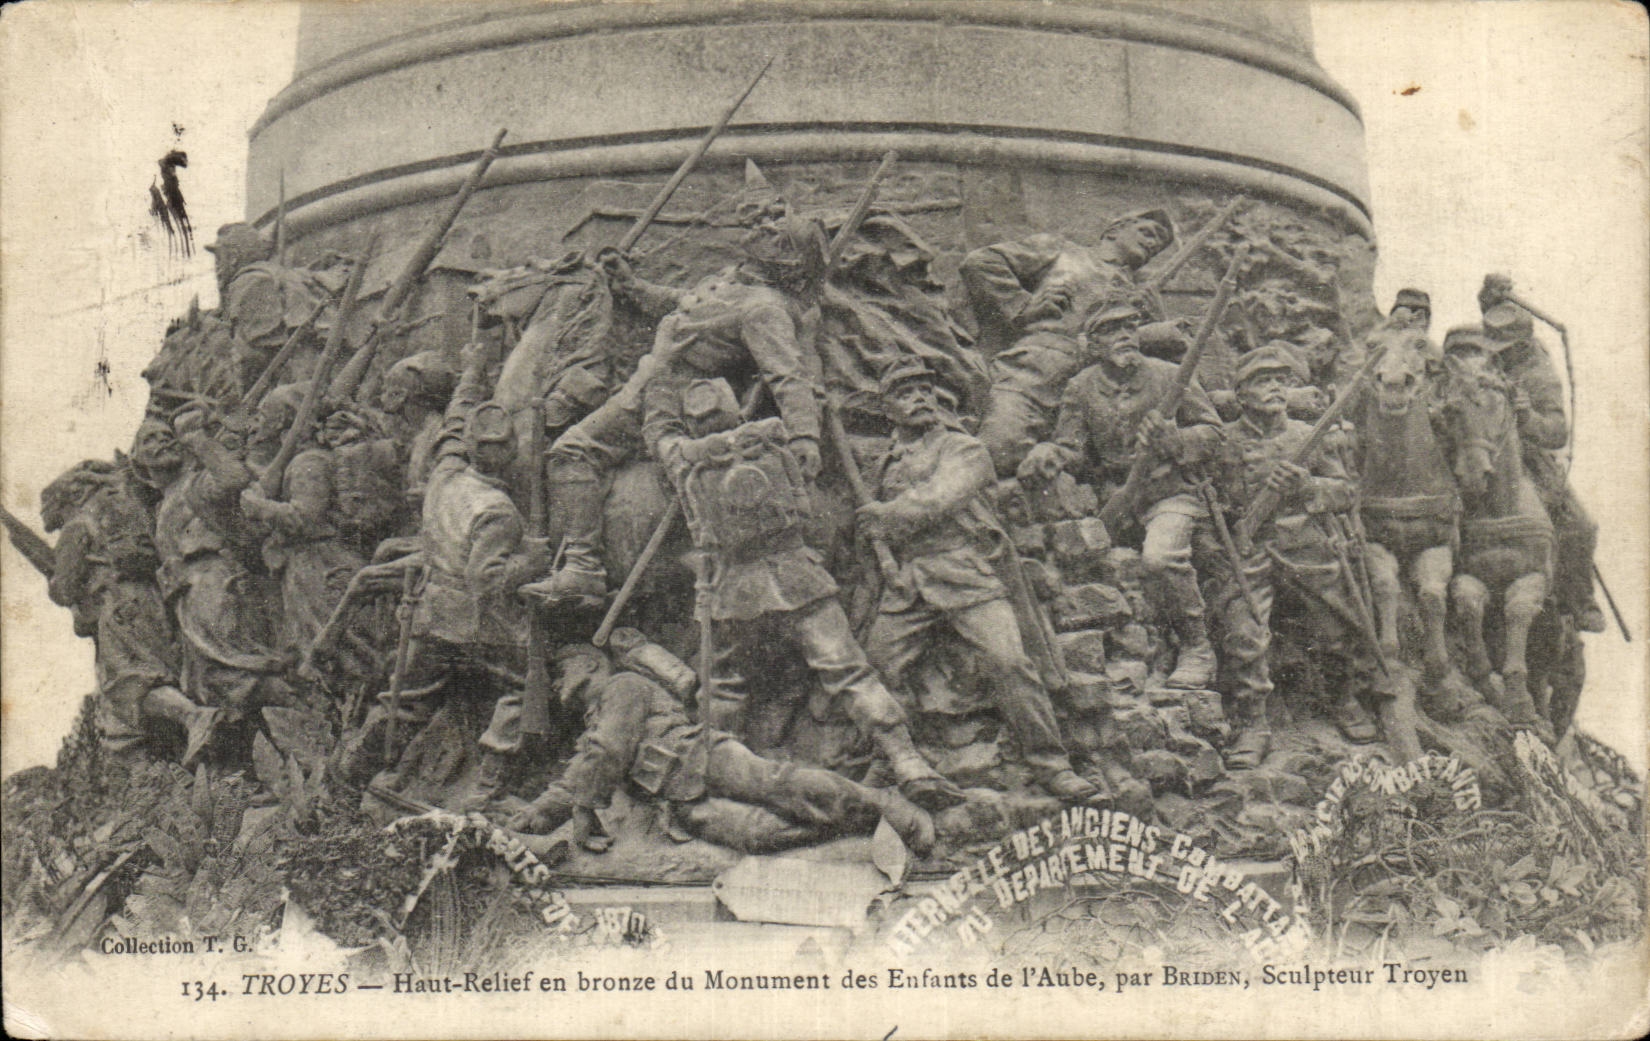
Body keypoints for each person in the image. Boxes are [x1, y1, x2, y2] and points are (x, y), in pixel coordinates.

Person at [657, 380, 961, 812]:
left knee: (722, 688)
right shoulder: (773, 445)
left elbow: (693, 516)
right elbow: (805, 510)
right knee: (849, 673)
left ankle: (715, 772)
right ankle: (906, 760)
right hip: (797, 576)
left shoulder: (686, 467)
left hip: (733, 590)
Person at [531, 195, 826, 604]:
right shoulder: (735, 280)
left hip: (671, 400)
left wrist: (805, 437)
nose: (763, 227)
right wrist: (631, 286)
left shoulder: (763, 308)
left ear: (785, 261)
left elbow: (789, 375)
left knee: (571, 450)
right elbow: (684, 304)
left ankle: (583, 568)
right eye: (766, 222)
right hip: (654, 377)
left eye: (778, 232)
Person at [857, 361, 1105, 803]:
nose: (920, 398)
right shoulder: (885, 463)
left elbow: (941, 498)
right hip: (909, 582)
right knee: (876, 666)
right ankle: (891, 756)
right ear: (886, 408)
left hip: (966, 571)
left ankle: (1052, 764)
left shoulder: (963, 449)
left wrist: (887, 517)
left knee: (1008, 661)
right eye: (905, 392)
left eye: (925, 389)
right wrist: (876, 537)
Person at [507, 643, 935, 855]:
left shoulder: (623, 686)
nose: (557, 684)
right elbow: (582, 771)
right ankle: (858, 826)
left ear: (590, 664)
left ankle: (889, 808)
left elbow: (607, 751)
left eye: (560, 672)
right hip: (678, 802)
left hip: (702, 758)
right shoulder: (594, 722)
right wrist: (538, 815)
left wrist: (583, 808)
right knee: (757, 835)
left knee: (783, 786)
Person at [1018, 301, 1225, 689]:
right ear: (1094, 343)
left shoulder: (1169, 376)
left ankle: (1197, 646)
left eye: (1131, 327)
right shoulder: (1081, 387)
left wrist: (1175, 440)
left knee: (1160, 559)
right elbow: (1072, 448)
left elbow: (1215, 433)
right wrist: (1051, 452)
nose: (1125, 336)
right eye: (1112, 330)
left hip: (1171, 494)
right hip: (1116, 499)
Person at [1208, 345, 1386, 769]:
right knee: (1243, 633)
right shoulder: (1224, 443)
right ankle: (1254, 724)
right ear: (1241, 393)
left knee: (1335, 622)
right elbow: (1212, 504)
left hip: (1305, 546)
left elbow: (1346, 492)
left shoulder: (1309, 436)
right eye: (1262, 381)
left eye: (1280, 381)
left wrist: (1307, 485)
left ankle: (1342, 700)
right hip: (1250, 552)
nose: (1274, 389)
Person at [960, 209, 1176, 475]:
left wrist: (1158, 321)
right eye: (1147, 232)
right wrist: (1022, 305)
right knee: (1000, 449)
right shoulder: (1063, 251)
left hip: (1094, 395)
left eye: (1158, 245)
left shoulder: (1141, 294)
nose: (1152, 243)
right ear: (1113, 230)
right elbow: (982, 261)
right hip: (1037, 371)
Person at [43, 457, 206, 760]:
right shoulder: (125, 514)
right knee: (160, 670)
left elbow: (65, 589)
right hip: (150, 598)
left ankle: (194, 718)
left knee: (130, 682)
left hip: (117, 606)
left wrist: (53, 582)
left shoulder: (77, 527)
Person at [152, 407, 287, 763]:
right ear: (138, 462)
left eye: (164, 435)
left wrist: (198, 438)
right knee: (211, 681)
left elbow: (233, 479)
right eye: (147, 439)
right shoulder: (165, 502)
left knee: (235, 670)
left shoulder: (195, 481)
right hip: (190, 594)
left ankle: (304, 708)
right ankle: (268, 758)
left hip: (217, 581)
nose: (160, 440)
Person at [1480, 299, 1604, 633]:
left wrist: (1527, 417)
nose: (1499, 354)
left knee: (1581, 526)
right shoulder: (1484, 356)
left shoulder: (1540, 374)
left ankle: (1578, 602)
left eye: (1506, 348)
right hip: (1478, 450)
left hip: (1529, 461)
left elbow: (1557, 432)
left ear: (1521, 344)